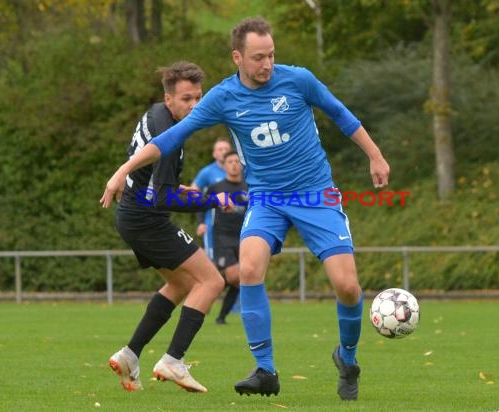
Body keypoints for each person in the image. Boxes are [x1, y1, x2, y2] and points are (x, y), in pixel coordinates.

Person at [101, 17, 390, 401]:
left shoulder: (298, 80)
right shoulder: (223, 97)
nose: (267, 64)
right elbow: (171, 137)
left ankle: (348, 359)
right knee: (249, 268)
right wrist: (123, 169)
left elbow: (340, 113)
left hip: (315, 193)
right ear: (238, 57)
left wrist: (375, 155)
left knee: (347, 286)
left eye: (270, 55)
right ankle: (265, 371)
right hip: (267, 196)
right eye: (258, 57)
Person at [105, 61, 228, 394]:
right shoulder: (170, 136)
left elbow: (158, 183)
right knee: (212, 281)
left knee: (180, 284)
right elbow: (161, 198)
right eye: (186, 99)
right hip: (147, 219)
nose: (194, 105)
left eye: (198, 97)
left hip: (133, 216)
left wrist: (183, 189)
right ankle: (173, 360)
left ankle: (130, 354)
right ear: (169, 98)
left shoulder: (159, 114)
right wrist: (211, 202)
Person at [206, 151, 247, 325]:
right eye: (230, 161)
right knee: (234, 276)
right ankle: (208, 285)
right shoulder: (217, 187)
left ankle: (221, 317)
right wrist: (201, 223)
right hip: (222, 237)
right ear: (224, 165)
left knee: (238, 280)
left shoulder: (248, 187)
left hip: (243, 237)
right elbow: (202, 204)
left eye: (237, 161)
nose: (234, 164)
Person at [191, 137, 232, 259]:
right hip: (213, 226)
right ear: (214, 153)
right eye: (220, 149)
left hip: (236, 225)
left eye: (226, 149)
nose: (223, 151)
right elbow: (193, 192)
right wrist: (201, 222)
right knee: (213, 265)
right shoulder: (207, 172)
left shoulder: (239, 170)